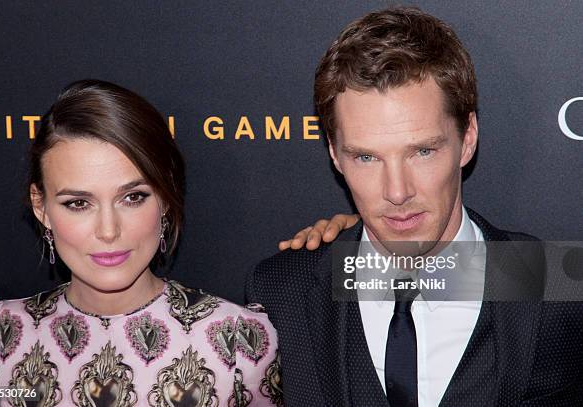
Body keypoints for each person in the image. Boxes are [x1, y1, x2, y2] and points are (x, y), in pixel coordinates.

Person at [247, 6, 583, 406]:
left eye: (422, 151)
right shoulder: (282, 291)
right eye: (366, 157)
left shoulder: (556, 291)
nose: (397, 191)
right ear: (334, 154)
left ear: (468, 137)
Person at [0, 80, 288, 406]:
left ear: (165, 198)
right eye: (78, 203)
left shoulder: (240, 341)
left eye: (133, 197)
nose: (108, 231)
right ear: (42, 207)